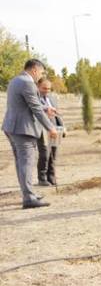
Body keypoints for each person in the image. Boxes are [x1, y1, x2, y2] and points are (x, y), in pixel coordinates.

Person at [2, 59, 58, 209]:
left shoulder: (15, 80)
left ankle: (29, 193)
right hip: (22, 129)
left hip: (12, 127)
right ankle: (28, 198)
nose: (40, 75)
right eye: (41, 72)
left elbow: (30, 103)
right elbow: (35, 108)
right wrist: (50, 127)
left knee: (21, 162)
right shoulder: (27, 82)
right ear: (34, 69)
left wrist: (47, 108)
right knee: (26, 162)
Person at [35, 77, 62, 186]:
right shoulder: (35, 98)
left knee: (53, 153)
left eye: (49, 89)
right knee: (45, 154)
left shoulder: (52, 98)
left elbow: (57, 115)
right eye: (44, 88)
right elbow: (37, 109)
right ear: (38, 86)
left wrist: (62, 127)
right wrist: (46, 110)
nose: (47, 90)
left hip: (55, 129)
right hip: (42, 129)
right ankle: (42, 178)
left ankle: (51, 177)